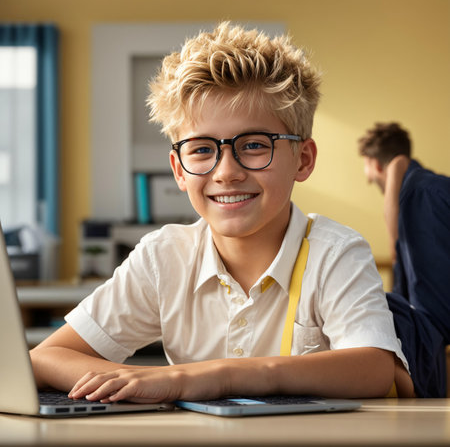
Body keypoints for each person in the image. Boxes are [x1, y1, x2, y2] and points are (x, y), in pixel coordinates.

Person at [30, 22, 414, 404]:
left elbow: (374, 369)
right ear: (179, 169)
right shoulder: (164, 257)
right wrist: (143, 379)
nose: (227, 172)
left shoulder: (336, 252)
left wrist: (203, 378)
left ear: (303, 159)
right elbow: (44, 358)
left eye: (253, 145)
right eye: (200, 149)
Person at [358, 122, 450, 397]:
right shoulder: (427, 188)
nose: (366, 176)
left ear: (375, 164)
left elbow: (435, 309)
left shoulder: (420, 194)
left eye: (366, 167)